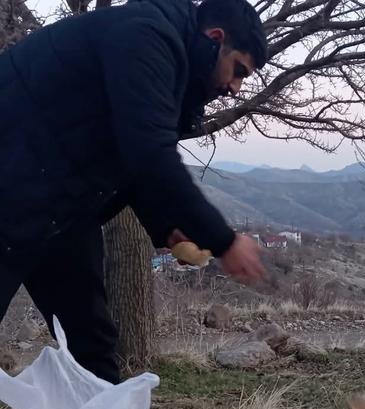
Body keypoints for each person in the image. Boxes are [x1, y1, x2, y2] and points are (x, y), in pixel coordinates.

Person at [0, 0, 267, 383]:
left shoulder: (174, 69)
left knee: (91, 343)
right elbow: (150, 154)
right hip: (11, 189)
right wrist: (224, 240)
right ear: (216, 39)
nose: (235, 87)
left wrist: (167, 228)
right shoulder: (146, 37)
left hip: (60, 207)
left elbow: (127, 159)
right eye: (238, 70)